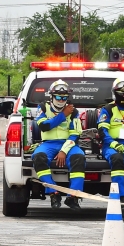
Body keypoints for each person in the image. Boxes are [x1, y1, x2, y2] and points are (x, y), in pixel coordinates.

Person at [32, 80, 86, 209]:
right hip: (48, 144)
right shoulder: (43, 107)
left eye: (64, 97)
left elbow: (75, 134)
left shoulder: (73, 111)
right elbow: (44, 126)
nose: (61, 100)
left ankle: (73, 197)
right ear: (51, 96)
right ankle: (53, 192)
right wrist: (63, 115)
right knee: (38, 157)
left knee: (79, 158)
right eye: (58, 97)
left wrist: (64, 151)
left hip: (68, 144)